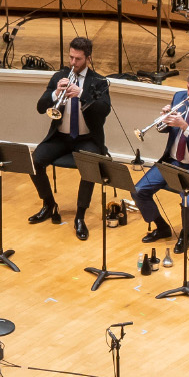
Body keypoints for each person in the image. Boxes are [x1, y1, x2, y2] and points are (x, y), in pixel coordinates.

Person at [130, 65, 189, 254]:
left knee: (188, 201)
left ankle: (185, 235)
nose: (188, 93)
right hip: (172, 161)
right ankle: (162, 227)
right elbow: (166, 130)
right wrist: (165, 119)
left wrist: (184, 126)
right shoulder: (179, 96)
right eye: (188, 87)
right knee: (138, 191)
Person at [27, 37, 109, 241]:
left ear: (88, 58)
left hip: (87, 138)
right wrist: (55, 93)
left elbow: (104, 110)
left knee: (89, 164)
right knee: (35, 161)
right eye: (71, 57)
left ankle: (80, 216)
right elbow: (40, 107)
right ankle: (48, 204)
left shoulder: (98, 82)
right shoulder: (59, 76)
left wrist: (82, 94)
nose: (73, 63)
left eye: (78, 59)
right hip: (60, 137)